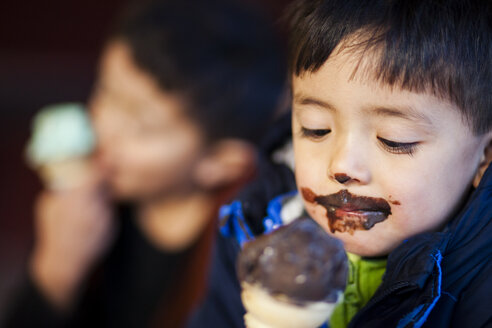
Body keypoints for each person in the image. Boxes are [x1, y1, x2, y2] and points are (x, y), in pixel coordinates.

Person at [187, 0, 492, 327]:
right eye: (315, 128)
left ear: (484, 156)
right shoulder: (254, 223)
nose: (342, 167)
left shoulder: (480, 288)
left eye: (394, 140)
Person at [4, 0, 286, 327]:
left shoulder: (243, 258)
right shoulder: (83, 210)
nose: (104, 128)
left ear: (222, 162)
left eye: (142, 127)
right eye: (105, 91)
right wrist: (54, 270)